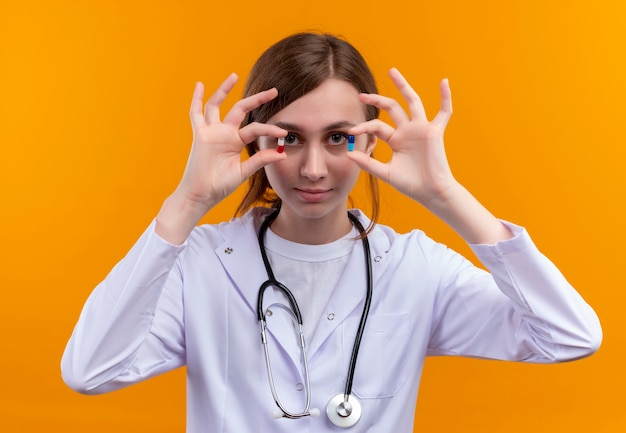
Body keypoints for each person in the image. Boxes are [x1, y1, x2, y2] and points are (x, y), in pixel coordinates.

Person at [61, 32, 602, 432]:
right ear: (256, 142)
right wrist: (187, 203)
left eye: (339, 138)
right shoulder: (201, 263)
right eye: (289, 138)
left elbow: (569, 336)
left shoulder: (415, 267)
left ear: (369, 142)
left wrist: (446, 196)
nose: (313, 168)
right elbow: (88, 371)